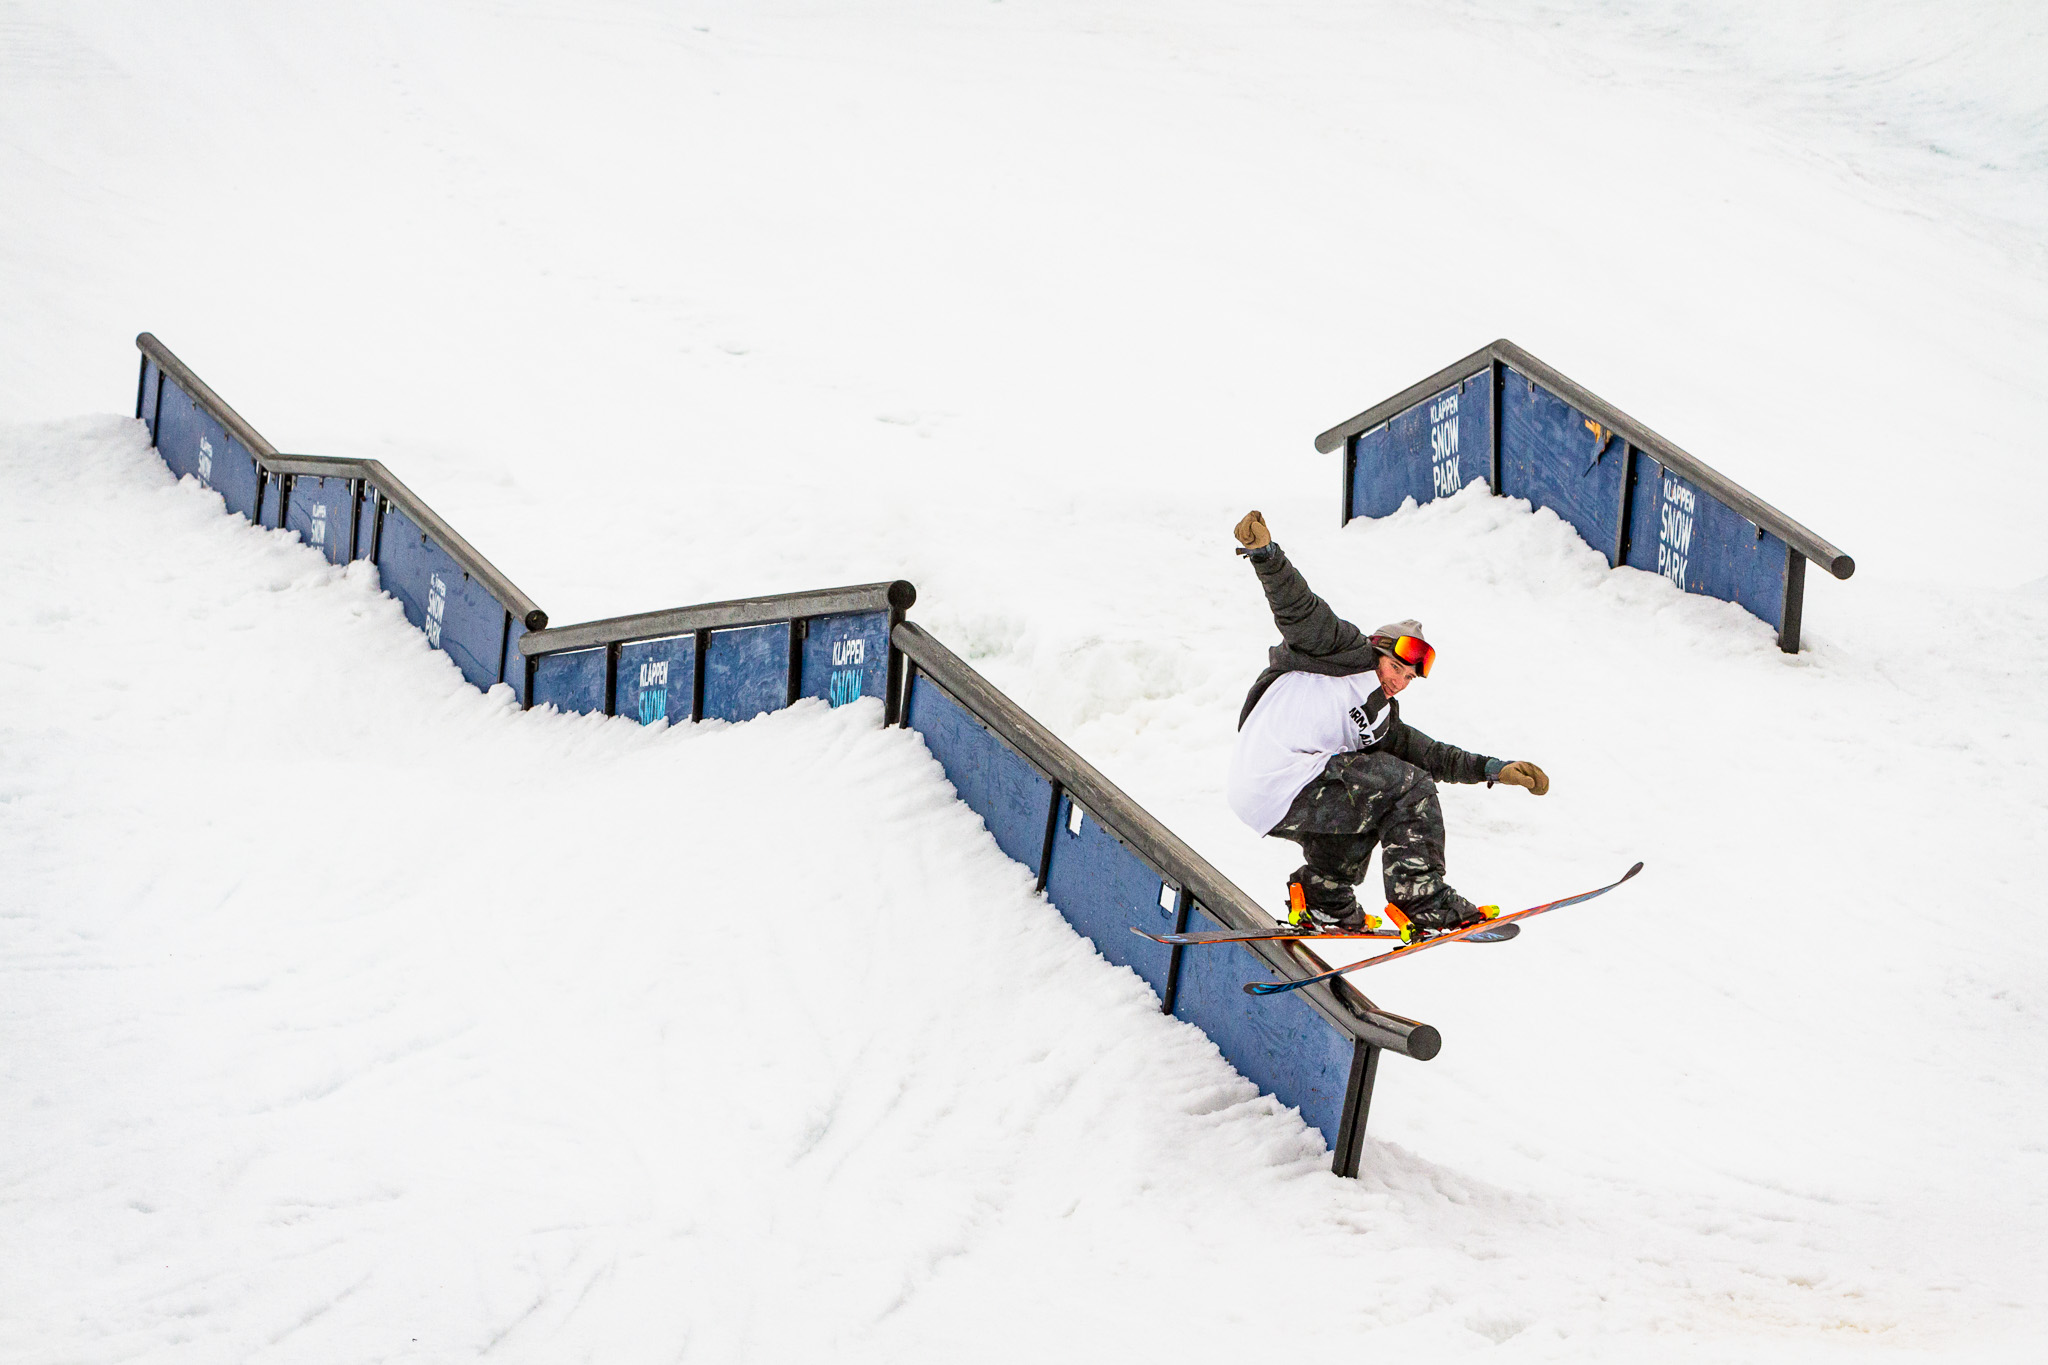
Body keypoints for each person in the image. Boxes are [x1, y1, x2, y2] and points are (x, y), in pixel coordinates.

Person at [1224, 510, 1549, 940]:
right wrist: (1266, 555)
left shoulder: (1380, 722)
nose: (1399, 681)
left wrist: (1494, 769)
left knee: (1377, 800)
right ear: (1378, 651)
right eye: (1396, 667)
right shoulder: (1340, 651)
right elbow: (1299, 609)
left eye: (1409, 678)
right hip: (1273, 773)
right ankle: (1423, 899)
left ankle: (1325, 897)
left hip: (1267, 797)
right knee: (1406, 787)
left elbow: (1432, 755)